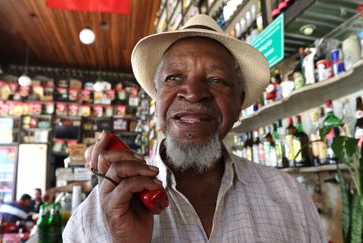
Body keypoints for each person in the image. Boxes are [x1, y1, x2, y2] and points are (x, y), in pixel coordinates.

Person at [63, 14, 325, 242]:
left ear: (239, 102)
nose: (194, 93)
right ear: (157, 95)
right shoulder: (95, 218)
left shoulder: (290, 198)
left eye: (216, 79)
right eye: (174, 77)